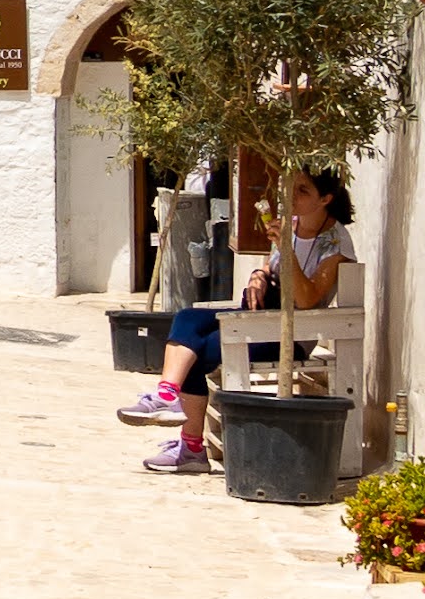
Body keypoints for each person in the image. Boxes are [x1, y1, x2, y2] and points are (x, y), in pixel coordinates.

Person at [125, 169, 353, 473]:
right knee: (188, 318)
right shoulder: (291, 224)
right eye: (290, 187)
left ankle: (191, 448)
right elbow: (270, 269)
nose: (290, 195)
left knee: (200, 351)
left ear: (325, 199)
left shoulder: (336, 243)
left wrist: (287, 249)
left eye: (302, 190)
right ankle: (167, 394)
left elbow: (307, 299)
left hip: (289, 336)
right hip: (259, 319)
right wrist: (258, 276)